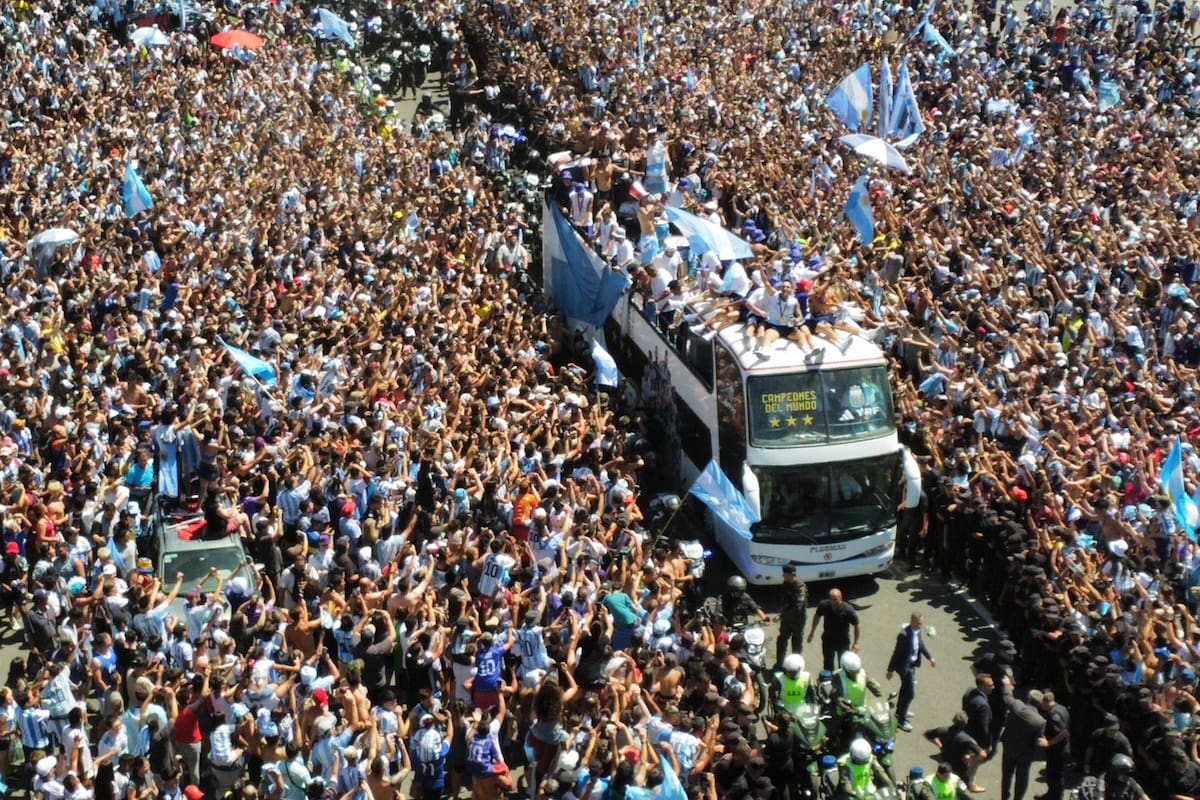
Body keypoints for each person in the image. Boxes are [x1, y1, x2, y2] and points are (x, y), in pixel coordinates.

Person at [886, 613, 936, 731]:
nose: (921, 626)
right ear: (912, 621)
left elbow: (921, 645)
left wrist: (930, 657)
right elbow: (896, 653)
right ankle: (901, 721)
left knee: (905, 690)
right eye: (919, 623)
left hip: (912, 665)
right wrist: (890, 670)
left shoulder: (917, 631)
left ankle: (901, 711)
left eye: (921, 623)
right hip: (905, 668)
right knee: (910, 694)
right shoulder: (904, 635)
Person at [999, 682, 1046, 800]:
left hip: (1009, 746)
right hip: (1025, 753)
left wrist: (1006, 684)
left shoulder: (1017, 706)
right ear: (1040, 704)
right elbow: (1039, 740)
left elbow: (1007, 697)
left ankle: (1004, 797)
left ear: (1029, 698)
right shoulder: (1040, 721)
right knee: (1022, 778)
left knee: (1006, 775)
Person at [923, 713, 985, 790]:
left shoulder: (942, 730)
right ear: (965, 723)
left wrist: (939, 744)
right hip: (960, 765)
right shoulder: (967, 739)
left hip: (945, 760)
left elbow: (926, 734)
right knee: (965, 781)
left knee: (941, 779)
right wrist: (969, 757)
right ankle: (971, 786)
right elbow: (982, 754)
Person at [808, 589, 860, 672]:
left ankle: (841, 682)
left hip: (843, 642)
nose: (833, 602)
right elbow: (817, 616)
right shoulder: (824, 605)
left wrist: (856, 642)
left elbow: (856, 625)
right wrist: (812, 632)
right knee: (827, 665)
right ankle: (828, 681)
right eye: (831, 599)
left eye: (835, 600)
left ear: (841, 598)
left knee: (843, 665)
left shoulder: (848, 610)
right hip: (827, 640)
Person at [1032, 691, 1069, 800]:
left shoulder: (1054, 714)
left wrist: (1049, 743)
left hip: (1058, 750)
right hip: (1058, 749)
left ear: (1045, 702)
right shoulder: (1062, 708)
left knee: (1056, 777)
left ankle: (1056, 797)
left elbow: (1063, 732)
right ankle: (1051, 795)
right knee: (1052, 775)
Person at [776, 565, 807, 667]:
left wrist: (781, 615)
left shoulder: (800, 587)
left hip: (797, 619)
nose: (783, 576)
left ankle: (795, 665)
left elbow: (797, 607)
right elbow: (784, 601)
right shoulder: (786, 584)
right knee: (782, 640)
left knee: (796, 642)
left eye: (784, 574)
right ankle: (780, 663)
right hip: (786, 618)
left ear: (790, 575)